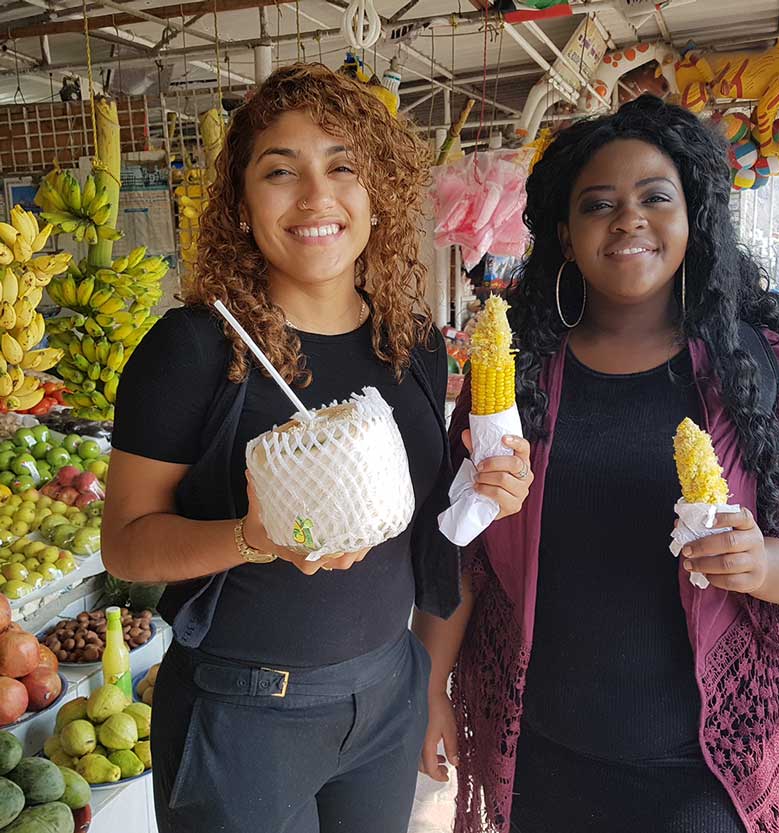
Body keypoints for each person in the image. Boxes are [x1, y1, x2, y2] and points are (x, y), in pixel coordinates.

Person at [101, 63, 532, 833]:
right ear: (239, 201)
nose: (316, 197)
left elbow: (425, 530)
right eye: (280, 171)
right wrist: (249, 537)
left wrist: (485, 492)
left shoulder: (411, 343)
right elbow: (127, 547)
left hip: (387, 695)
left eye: (343, 167)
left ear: (378, 194)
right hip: (244, 714)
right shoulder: (195, 349)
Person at [413, 96, 779, 833]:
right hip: (541, 754)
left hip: (699, 771)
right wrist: (431, 684)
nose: (628, 219)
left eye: (656, 196)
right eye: (599, 204)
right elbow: (460, 551)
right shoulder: (515, 379)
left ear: (694, 216)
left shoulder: (760, 368)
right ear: (565, 230)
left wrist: (762, 562)